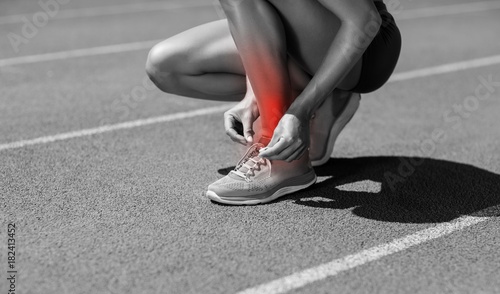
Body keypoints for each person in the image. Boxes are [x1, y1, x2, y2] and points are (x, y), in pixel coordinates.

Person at [146, 0, 401, 205]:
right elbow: (253, 21)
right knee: (165, 66)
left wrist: (300, 111)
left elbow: (364, 20)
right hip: (305, 39)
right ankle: (329, 100)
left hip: (366, 48)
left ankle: (286, 161)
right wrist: (253, 94)